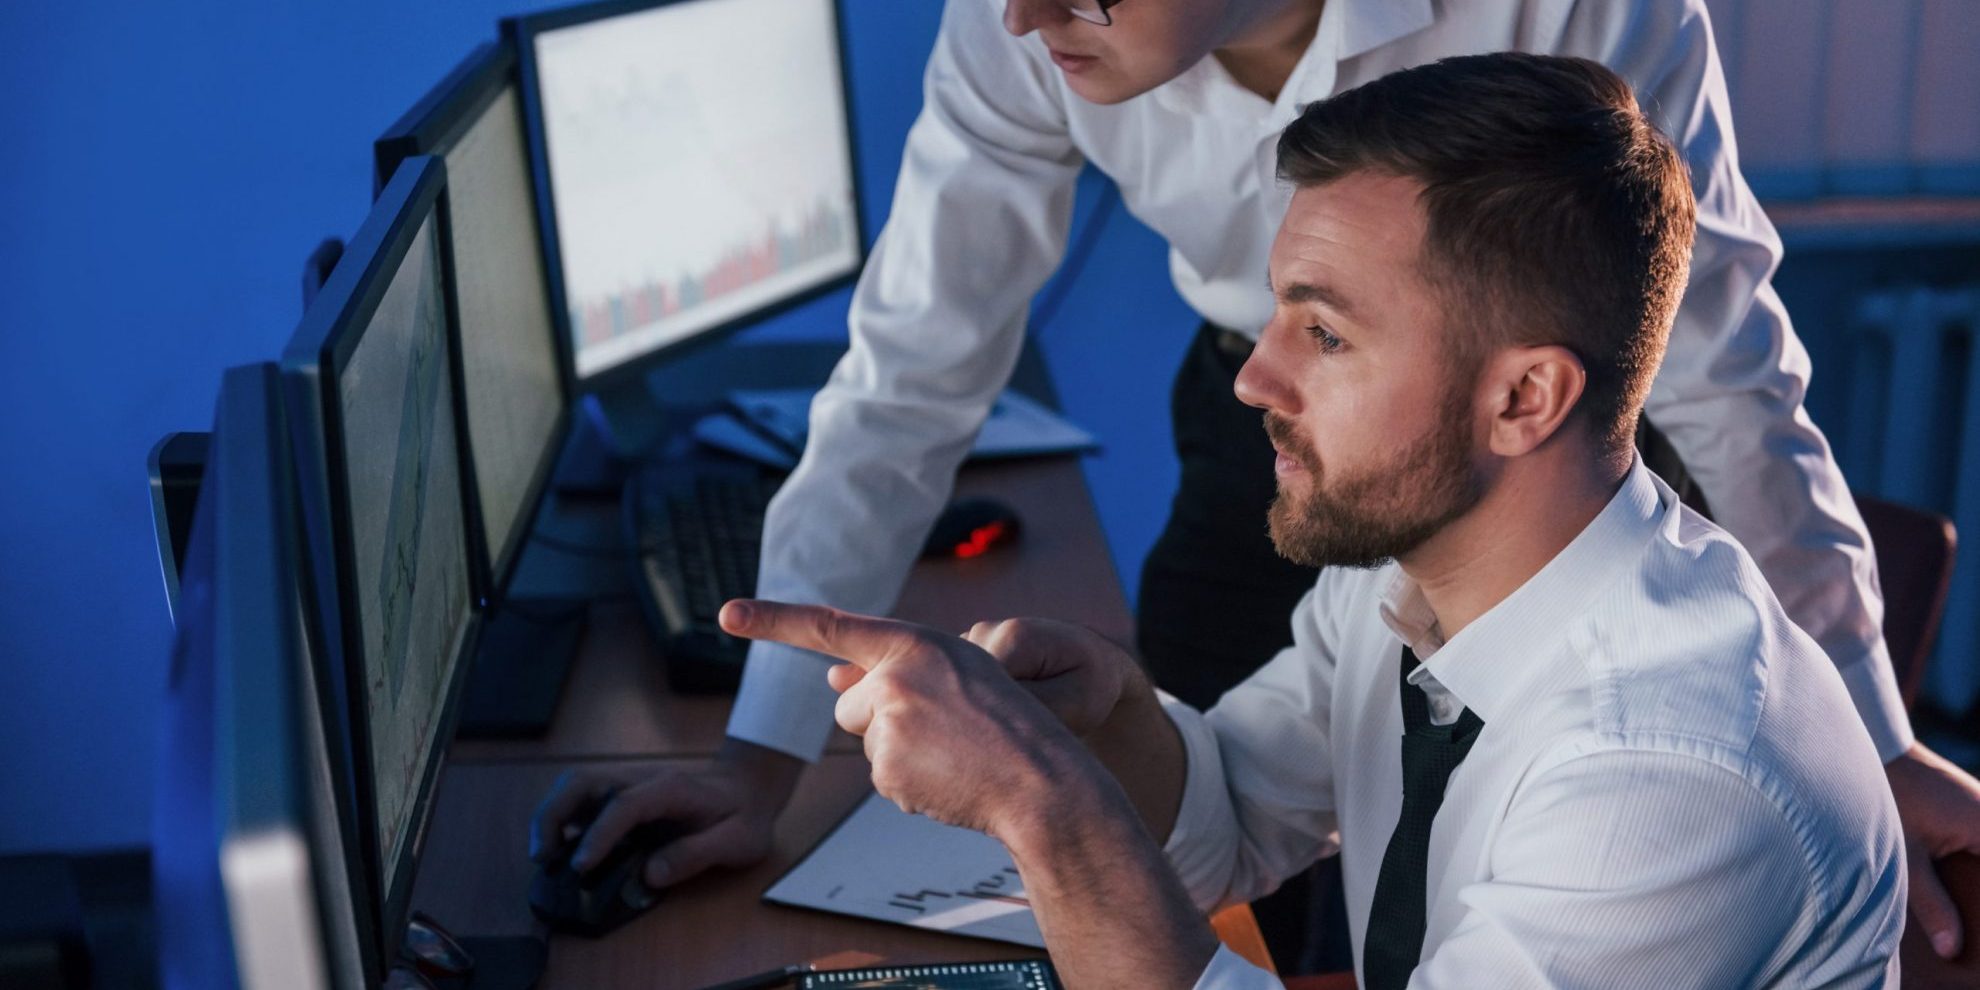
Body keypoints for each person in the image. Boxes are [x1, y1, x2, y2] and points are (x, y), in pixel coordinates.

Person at [530, 0, 1980, 958]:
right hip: (1417, 450)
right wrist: (1099, 731)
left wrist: (1870, 725)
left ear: (1529, 395)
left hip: (1530, 452)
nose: (1028, 17)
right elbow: (910, 378)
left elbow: (1730, 370)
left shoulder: (1666, 780)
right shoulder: (1391, 578)